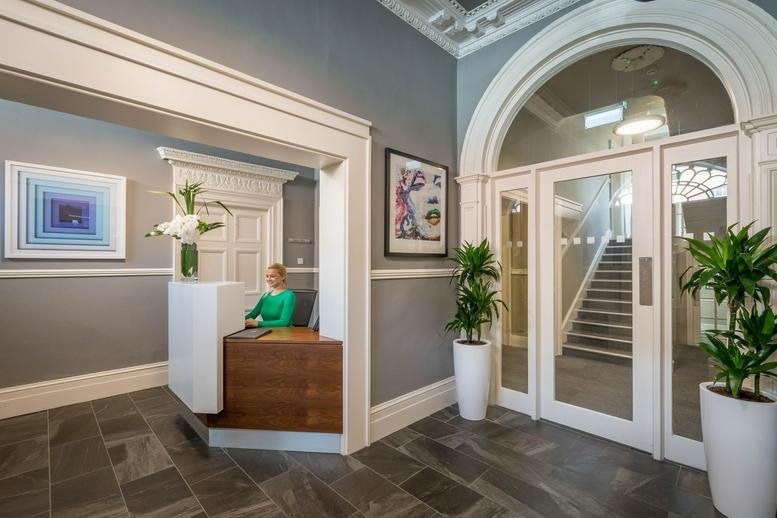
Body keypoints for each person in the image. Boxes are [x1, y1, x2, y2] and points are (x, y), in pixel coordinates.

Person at [245, 263, 296, 328]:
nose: (268, 279)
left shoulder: (289, 295)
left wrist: (258, 323)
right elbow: (252, 315)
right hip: (266, 331)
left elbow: (284, 322)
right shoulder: (265, 296)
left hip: (284, 333)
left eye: (272, 276)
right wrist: (236, 321)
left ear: (283, 277)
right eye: (267, 276)